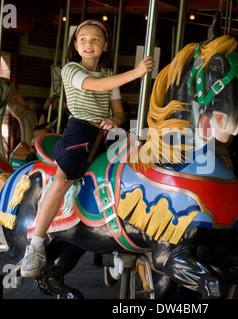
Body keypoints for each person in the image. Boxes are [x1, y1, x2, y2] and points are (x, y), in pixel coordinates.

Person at [19, 19, 155, 277]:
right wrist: (137, 73)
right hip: (80, 130)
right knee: (62, 179)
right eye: (83, 39)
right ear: (75, 45)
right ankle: (36, 244)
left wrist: (114, 121)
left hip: (106, 133)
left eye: (95, 39)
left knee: (136, 167)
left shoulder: (109, 75)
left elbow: (118, 113)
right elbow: (97, 86)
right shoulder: (71, 69)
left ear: (104, 46)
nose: (88, 44)